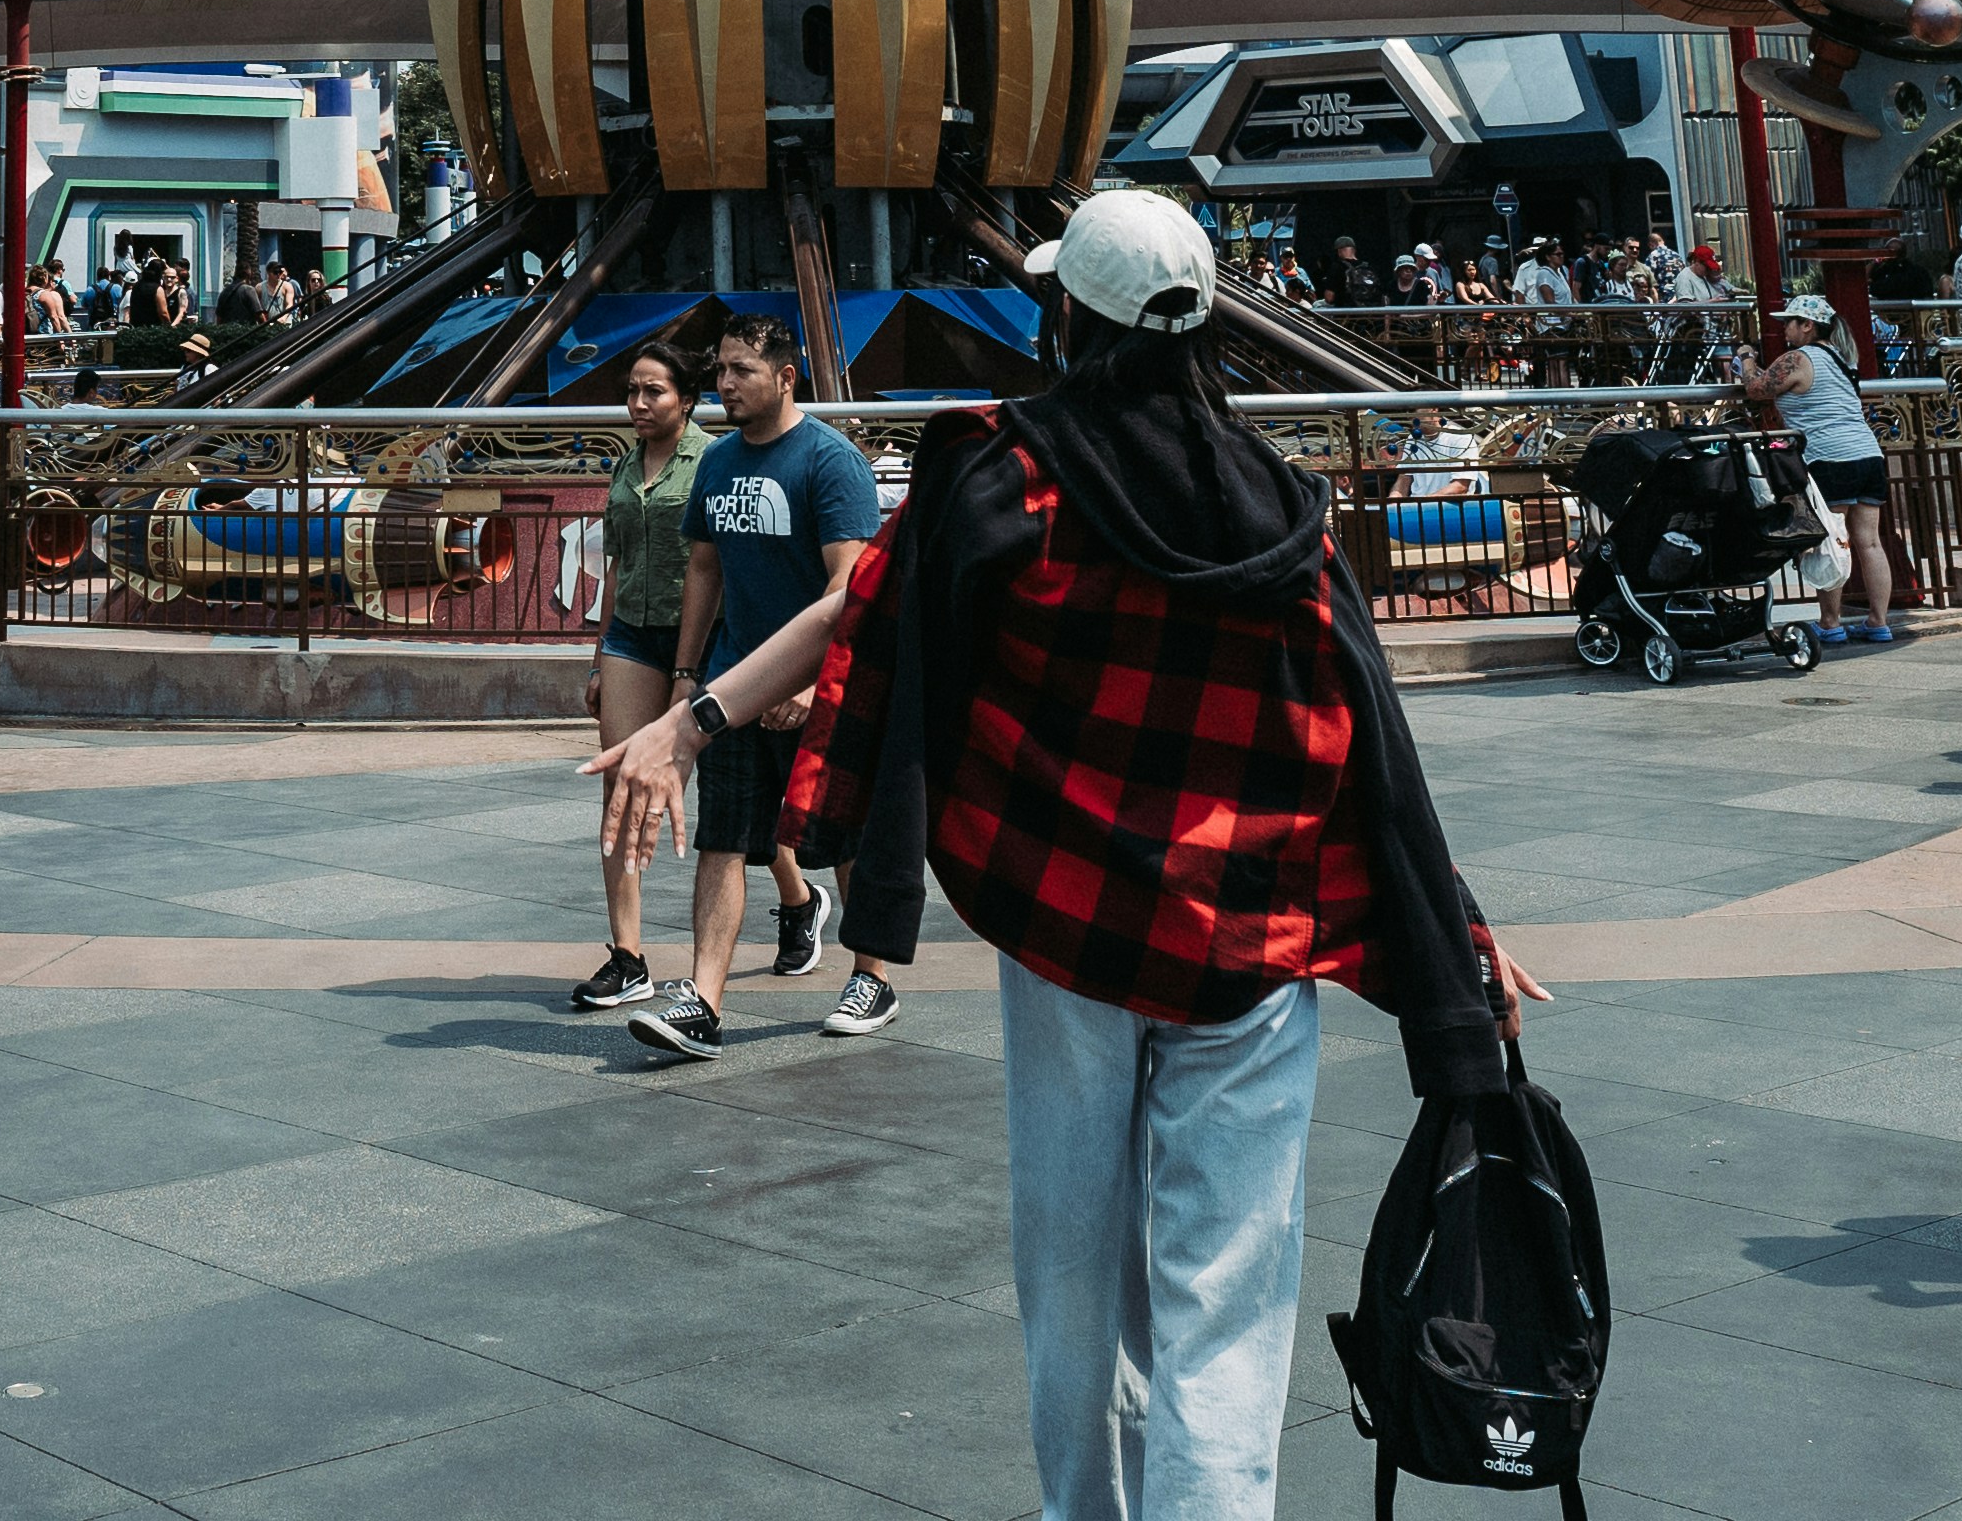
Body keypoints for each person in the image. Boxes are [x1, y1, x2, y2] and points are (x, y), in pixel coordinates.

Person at [591, 188, 1530, 1521]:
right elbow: (1369, 731)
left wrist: (691, 724)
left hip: (1069, 922)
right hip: (1250, 945)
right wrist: (1457, 933)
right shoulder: (1281, 504)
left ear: (1067, 319)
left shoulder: (1006, 476)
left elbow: (860, 611)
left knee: (1074, 1267)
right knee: (1229, 1300)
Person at [629, 319, 877, 1058]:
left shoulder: (831, 461)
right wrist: (687, 676)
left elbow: (849, 584)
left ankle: (872, 976)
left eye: (741, 371)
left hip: (817, 692)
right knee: (724, 840)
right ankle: (702, 1001)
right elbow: (704, 570)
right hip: (733, 683)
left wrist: (811, 678)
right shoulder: (719, 461)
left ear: (786, 377)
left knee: (841, 839)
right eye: (721, 371)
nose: (725, 385)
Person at [571, 343, 703, 1012]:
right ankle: (628, 957)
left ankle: (798, 900)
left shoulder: (712, 462)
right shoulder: (625, 466)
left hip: (700, 638)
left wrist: (692, 668)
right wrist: (599, 658)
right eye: (632, 391)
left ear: (688, 399)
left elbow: (714, 565)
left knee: (739, 796)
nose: (639, 403)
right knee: (620, 785)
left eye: (655, 391)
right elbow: (617, 567)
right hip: (630, 635)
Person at [1736, 293, 1904, 645]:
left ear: (1807, 325)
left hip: (1829, 459)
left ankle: (1830, 623)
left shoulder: (1797, 358)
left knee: (1832, 541)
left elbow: (1755, 389)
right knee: (1870, 543)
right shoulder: (1841, 356)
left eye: (1790, 322)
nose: (1785, 329)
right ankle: (1878, 622)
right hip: (1868, 454)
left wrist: (1746, 357)